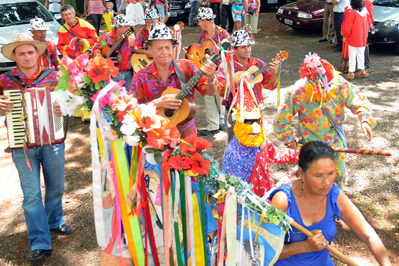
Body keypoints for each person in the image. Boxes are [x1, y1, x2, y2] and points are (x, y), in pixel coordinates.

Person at [0, 33, 72, 261]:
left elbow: (71, 102)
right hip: (22, 146)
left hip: (52, 142)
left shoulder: (54, 77)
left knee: (56, 188)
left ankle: (54, 220)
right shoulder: (5, 81)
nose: (27, 56)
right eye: (21, 53)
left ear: (37, 53)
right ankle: (40, 242)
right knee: (31, 195)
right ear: (14, 56)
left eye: (30, 52)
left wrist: (65, 107)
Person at [269, 141, 392, 266]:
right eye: (318, 176)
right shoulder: (283, 200)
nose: (327, 182)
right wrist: (304, 246)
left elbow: (368, 235)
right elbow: (264, 250)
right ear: (301, 174)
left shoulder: (333, 194)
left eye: (331, 173)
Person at [273, 53, 376, 188]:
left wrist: (364, 119)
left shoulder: (340, 85)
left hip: (335, 147)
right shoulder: (299, 91)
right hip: (310, 147)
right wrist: (289, 139)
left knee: (334, 180)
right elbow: (281, 118)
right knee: (311, 182)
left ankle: (333, 206)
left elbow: (359, 100)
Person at [131, 23, 219, 138]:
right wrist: (157, 103)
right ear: (150, 50)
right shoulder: (140, 77)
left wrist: (212, 77)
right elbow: (132, 111)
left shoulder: (187, 66)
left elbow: (210, 92)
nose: (164, 52)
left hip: (187, 137)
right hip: (155, 138)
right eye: (159, 48)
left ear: (173, 47)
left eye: (167, 47)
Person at [223, 79, 298, 197]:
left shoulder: (261, 141)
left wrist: (298, 154)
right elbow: (232, 191)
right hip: (248, 206)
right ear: (239, 123)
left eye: (257, 121)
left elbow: (275, 154)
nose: (256, 127)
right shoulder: (233, 153)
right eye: (249, 122)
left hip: (266, 196)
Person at [217, 30, 279, 142]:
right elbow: (221, 90)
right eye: (243, 47)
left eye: (249, 46)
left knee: (256, 143)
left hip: (255, 111)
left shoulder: (257, 63)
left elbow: (270, 85)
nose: (248, 50)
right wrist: (237, 81)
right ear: (234, 49)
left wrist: (275, 73)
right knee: (234, 145)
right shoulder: (226, 65)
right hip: (234, 112)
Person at [196, 7, 230, 136]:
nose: (198, 23)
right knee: (208, 95)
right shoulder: (203, 35)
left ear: (205, 20)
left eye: (199, 21)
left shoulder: (223, 34)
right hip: (208, 69)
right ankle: (213, 125)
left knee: (220, 93)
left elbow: (230, 51)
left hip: (221, 69)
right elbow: (200, 49)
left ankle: (221, 121)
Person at [93, 14, 136, 90]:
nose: (128, 28)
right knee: (113, 96)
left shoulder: (131, 38)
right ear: (118, 28)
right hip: (113, 74)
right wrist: (101, 58)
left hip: (129, 73)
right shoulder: (106, 38)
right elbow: (96, 50)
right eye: (126, 27)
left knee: (129, 95)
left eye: (128, 26)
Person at [341, 0, 371, 79]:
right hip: (363, 37)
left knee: (352, 55)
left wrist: (345, 36)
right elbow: (368, 22)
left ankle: (351, 72)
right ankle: (362, 70)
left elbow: (347, 26)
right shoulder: (365, 11)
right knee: (361, 54)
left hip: (353, 36)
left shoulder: (352, 12)